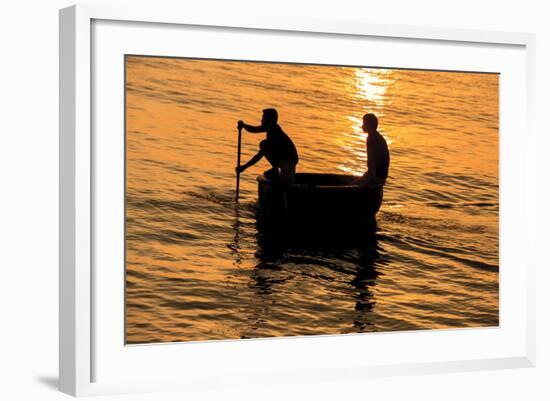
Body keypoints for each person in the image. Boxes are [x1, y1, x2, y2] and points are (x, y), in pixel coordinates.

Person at [236, 108, 299, 185]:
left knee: (285, 184)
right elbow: (255, 129)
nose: (261, 120)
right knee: (263, 144)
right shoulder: (272, 129)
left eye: (264, 118)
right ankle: (275, 169)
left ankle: (277, 172)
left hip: (289, 161)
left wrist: (244, 167)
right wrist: (244, 125)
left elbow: (259, 154)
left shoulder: (274, 133)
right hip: (283, 159)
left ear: (271, 121)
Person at [352, 113, 390, 187]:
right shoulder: (378, 137)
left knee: (350, 186)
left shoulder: (371, 139)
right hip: (381, 176)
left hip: (376, 178)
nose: (362, 126)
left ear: (370, 126)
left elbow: (372, 163)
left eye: (364, 123)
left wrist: (369, 179)